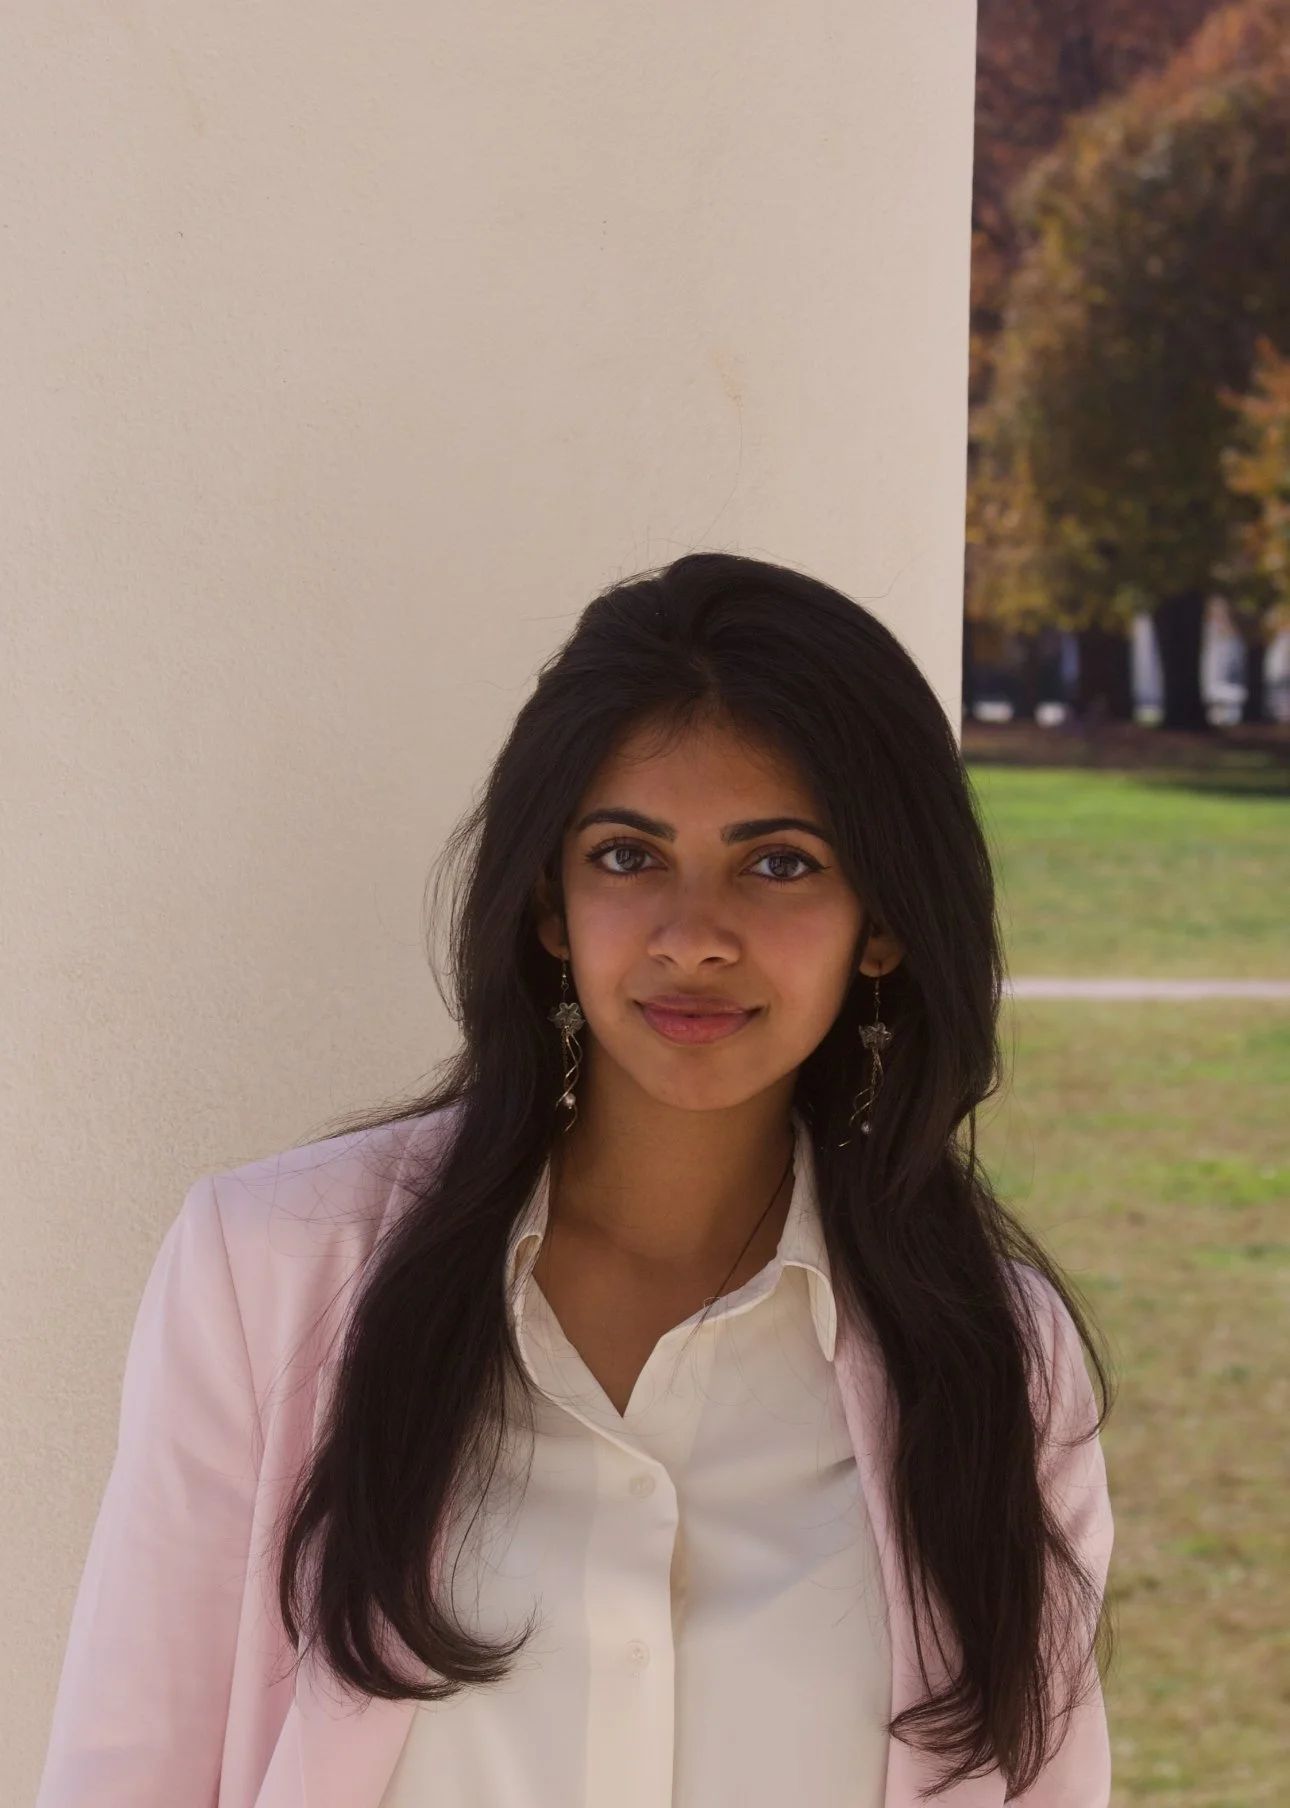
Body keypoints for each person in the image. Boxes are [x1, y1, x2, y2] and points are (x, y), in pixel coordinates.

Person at [35, 552, 1115, 1808]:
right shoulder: (271, 1272)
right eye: (626, 855)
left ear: (882, 923)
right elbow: (126, 1774)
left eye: (779, 862)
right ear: (550, 905)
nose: (692, 935)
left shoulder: (999, 1358)